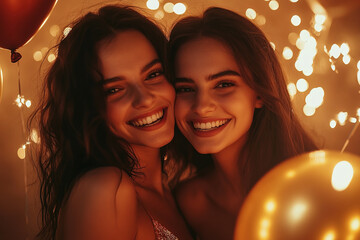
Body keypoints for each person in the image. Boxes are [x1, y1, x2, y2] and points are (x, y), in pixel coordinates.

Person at [29, 5, 193, 240]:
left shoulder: (177, 190)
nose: (145, 99)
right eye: (115, 89)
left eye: (153, 74)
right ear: (88, 107)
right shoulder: (105, 188)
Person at [167, 7, 319, 240]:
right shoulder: (190, 202)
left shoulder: (315, 185)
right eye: (186, 89)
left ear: (259, 93)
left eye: (223, 84)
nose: (201, 106)